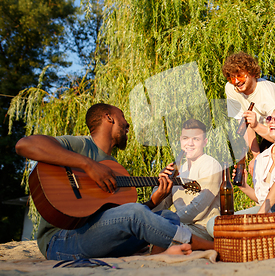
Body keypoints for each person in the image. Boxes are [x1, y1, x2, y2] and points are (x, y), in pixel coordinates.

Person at [15, 103, 214, 260]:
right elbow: (25, 145)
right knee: (137, 213)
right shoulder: (81, 145)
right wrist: (87, 165)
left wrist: (153, 201)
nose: (128, 124)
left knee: (166, 216)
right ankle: (208, 246)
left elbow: (119, 218)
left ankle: (157, 257)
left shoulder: (115, 168)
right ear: (109, 117)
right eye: (123, 117)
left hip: (98, 237)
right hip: (62, 240)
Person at [205, 106, 275, 238]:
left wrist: (259, 217)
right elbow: (262, 198)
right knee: (214, 224)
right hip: (265, 210)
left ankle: (253, 236)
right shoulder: (262, 158)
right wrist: (244, 187)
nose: (272, 122)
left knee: (248, 228)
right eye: (269, 119)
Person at [148, 119, 222, 242]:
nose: (190, 143)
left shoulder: (210, 165)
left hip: (201, 229)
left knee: (161, 233)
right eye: (186, 138)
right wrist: (160, 184)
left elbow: (199, 207)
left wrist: (169, 221)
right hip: (180, 225)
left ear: (205, 142)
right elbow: (160, 206)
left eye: (196, 139)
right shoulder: (178, 171)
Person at [222, 52, 275, 175]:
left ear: (252, 73)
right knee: (260, 166)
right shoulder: (230, 89)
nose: (236, 81)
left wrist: (256, 126)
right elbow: (244, 124)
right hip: (267, 131)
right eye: (232, 77)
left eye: (240, 76)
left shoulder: (268, 95)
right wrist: (256, 156)